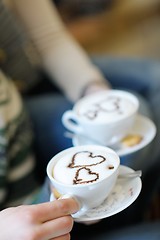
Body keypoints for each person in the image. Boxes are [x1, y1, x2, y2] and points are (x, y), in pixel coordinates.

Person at [0, 0, 160, 239]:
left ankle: (127, 216)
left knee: (147, 102)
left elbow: (48, 37)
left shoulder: (6, 102)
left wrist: (94, 94)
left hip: (19, 108)